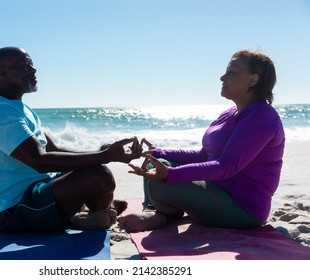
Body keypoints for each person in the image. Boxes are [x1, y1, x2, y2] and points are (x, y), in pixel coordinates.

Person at [0, 47, 141, 233]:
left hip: (38, 191)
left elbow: (54, 148)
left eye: (32, 64)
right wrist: (105, 156)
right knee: (100, 175)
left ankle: (91, 211)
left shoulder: (20, 108)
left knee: (95, 170)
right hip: (13, 209)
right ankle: (86, 215)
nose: (34, 69)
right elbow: (39, 161)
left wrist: (103, 152)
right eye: (26, 65)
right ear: (2, 73)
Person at [118, 49, 285, 232]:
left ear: (253, 80)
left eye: (231, 72)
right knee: (154, 163)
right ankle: (154, 212)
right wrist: (157, 153)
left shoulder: (262, 116)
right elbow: (203, 155)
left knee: (159, 183)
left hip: (242, 207)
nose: (222, 77)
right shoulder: (230, 113)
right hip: (213, 191)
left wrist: (170, 175)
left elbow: (226, 166)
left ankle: (162, 212)